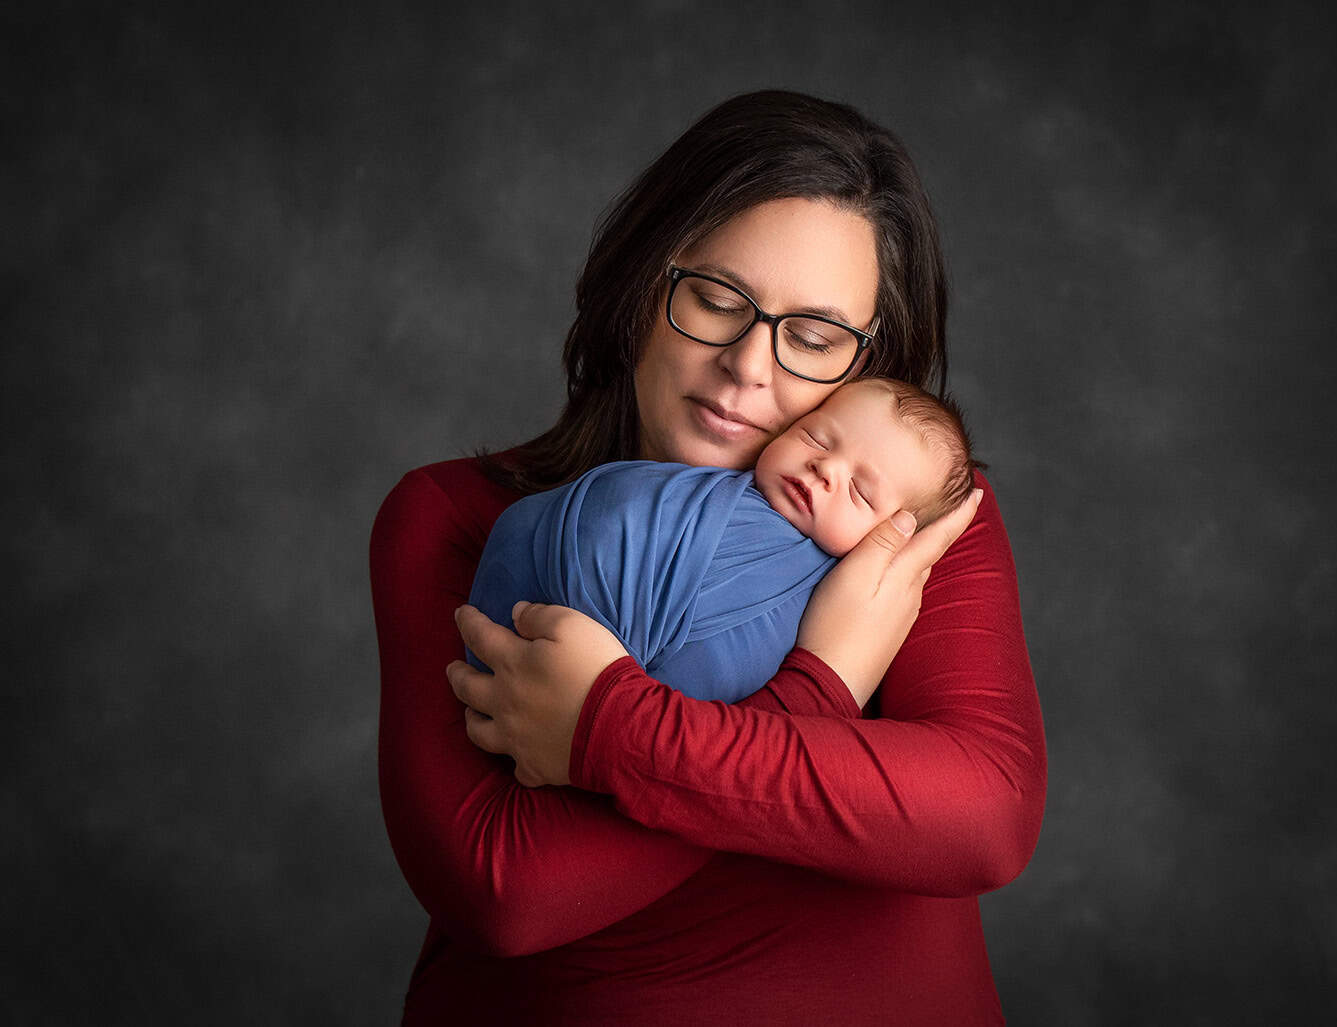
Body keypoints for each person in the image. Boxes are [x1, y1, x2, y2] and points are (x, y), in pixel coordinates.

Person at [371, 90, 1046, 1024]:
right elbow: (505, 892)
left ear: (868, 362)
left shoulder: (907, 517)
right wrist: (821, 687)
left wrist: (609, 727)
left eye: (814, 337)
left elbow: (984, 818)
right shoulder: (455, 515)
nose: (750, 366)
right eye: (717, 300)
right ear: (641, 288)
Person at [464, 376, 978, 706]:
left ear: (894, 537)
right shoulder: (716, 480)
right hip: (526, 609)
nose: (826, 468)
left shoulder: (843, 596)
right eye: (816, 438)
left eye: (860, 492)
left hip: (634, 710)